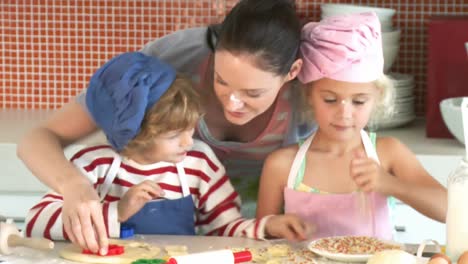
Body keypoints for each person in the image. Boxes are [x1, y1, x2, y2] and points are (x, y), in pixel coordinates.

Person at [17, 0, 314, 254]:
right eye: (221, 80)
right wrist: (78, 190)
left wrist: (267, 226)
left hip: (231, 235)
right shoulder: (162, 68)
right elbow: (38, 143)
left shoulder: (316, 92)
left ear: (293, 73)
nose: (233, 103)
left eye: (253, 94)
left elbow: (224, 227)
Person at [256, 12, 447, 240]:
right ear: (309, 95)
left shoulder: (388, 153)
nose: (344, 113)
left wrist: (391, 185)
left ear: (377, 96)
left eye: (359, 101)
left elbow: (450, 210)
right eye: (330, 99)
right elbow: (259, 245)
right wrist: (274, 226)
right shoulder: (282, 165)